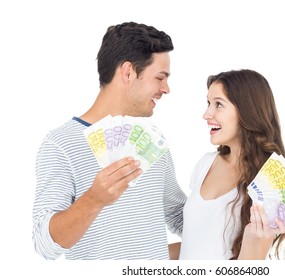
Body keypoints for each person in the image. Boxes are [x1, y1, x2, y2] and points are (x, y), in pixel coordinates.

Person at [32, 21, 187, 260]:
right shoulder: (61, 145)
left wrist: (235, 215)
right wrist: (94, 199)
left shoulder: (153, 143)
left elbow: (178, 216)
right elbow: (45, 245)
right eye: (160, 77)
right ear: (128, 72)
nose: (166, 89)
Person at [178, 69, 285, 260]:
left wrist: (253, 242)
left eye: (218, 104)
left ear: (246, 111)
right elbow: (195, 244)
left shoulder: (271, 183)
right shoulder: (205, 164)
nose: (206, 114)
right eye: (208, 103)